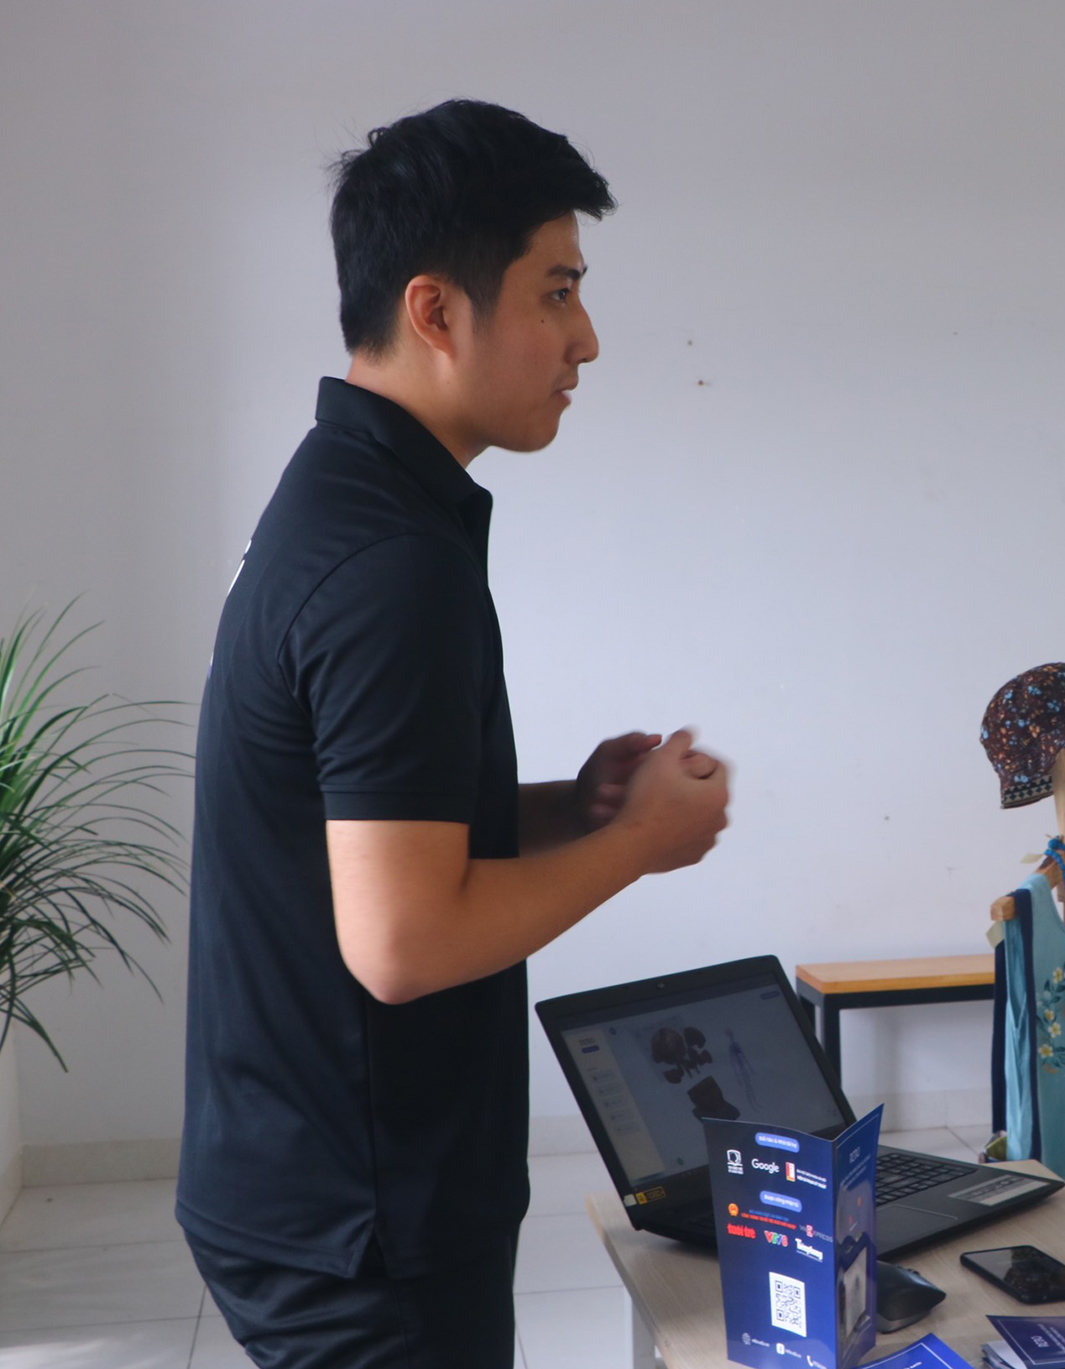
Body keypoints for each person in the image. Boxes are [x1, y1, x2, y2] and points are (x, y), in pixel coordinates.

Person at [176, 99, 732, 1368]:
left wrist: (563, 809)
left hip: (298, 1180)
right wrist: (642, 840)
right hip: (359, 1224)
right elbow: (403, 942)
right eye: (554, 293)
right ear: (435, 311)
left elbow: (361, 822)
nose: (584, 338)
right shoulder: (389, 566)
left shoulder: (346, 498)